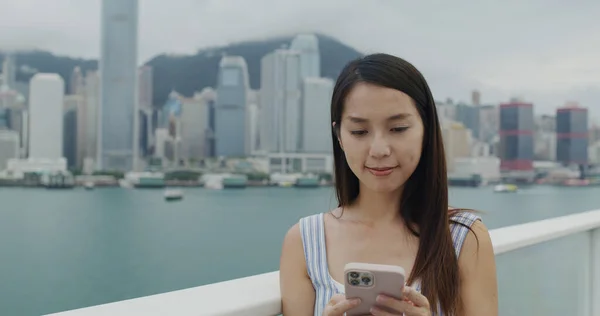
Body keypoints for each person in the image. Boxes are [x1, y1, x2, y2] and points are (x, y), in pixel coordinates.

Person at [279, 53, 498, 316]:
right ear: (339, 136)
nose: (379, 150)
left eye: (398, 128)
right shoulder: (305, 241)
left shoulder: (464, 238)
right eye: (359, 132)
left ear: (426, 129)